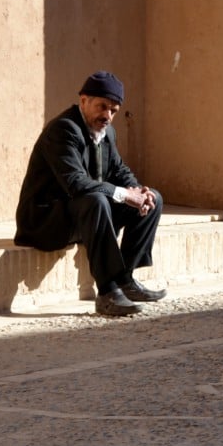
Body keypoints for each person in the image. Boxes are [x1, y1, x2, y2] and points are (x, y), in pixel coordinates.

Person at [14, 71, 165, 317]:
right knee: (95, 200)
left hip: (84, 214)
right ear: (83, 101)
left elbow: (119, 170)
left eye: (113, 110)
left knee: (154, 199)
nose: (107, 116)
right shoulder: (64, 130)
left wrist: (139, 192)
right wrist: (126, 195)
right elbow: (75, 183)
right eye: (101, 107)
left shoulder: (107, 133)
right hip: (46, 220)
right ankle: (107, 292)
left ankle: (125, 281)